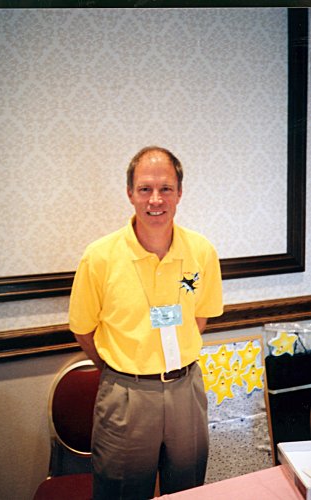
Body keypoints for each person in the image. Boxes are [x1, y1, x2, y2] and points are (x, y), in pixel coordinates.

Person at [69, 146, 223, 500]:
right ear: (130, 193)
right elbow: (83, 329)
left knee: (188, 491)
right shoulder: (99, 257)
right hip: (127, 396)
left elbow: (199, 318)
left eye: (166, 188)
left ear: (180, 193)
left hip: (187, 391)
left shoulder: (202, 252)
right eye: (145, 189)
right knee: (121, 493)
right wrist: (121, 369)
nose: (156, 199)